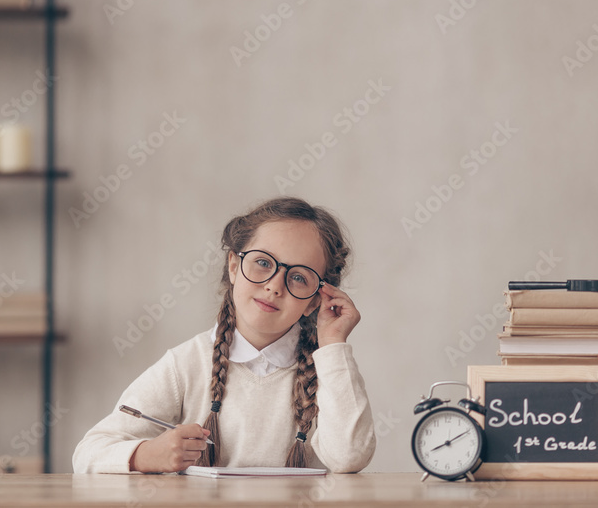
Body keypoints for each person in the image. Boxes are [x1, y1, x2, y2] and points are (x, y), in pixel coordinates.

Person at [72, 196, 375, 473]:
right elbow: (88, 452)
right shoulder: (187, 364)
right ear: (233, 266)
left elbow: (349, 457)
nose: (274, 286)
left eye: (298, 277)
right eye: (262, 263)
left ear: (314, 300)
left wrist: (334, 344)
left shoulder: (329, 370)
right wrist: (147, 454)